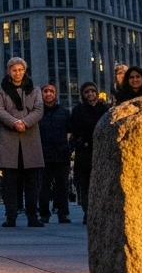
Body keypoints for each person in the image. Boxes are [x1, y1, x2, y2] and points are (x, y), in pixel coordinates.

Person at [0, 57, 45, 228]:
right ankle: (11, 216)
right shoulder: (0, 89)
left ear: (25, 70)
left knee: (32, 181)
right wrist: (14, 122)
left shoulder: (35, 89)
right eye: (14, 70)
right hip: (9, 138)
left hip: (30, 138)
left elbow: (38, 109)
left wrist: (25, 122)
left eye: (20, 70)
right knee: (10, 182)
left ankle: (32, 216)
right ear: (9, 71)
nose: (17, 73)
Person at [68, 82, 109, 224]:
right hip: (84, 152)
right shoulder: (78, 110)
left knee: (101, 183)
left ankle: (100, 211)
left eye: (92, 91)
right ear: (83, 94)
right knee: (85, 184)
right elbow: (74, 129)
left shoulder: (105, 109)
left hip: (101, 151)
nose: (90, 94)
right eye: (87, 92)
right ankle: (87, 211)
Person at [37, 84, 71, 223]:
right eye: (45, 91)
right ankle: (44, 213)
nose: (48, 94)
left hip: (61, 154)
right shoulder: (37, 113)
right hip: (43, 154)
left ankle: (62, 213)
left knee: (62, 185)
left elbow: (70, 132)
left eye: (51, 91)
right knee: (44, 186)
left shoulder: (64, 112)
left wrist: (69, 148)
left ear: (55, 94)